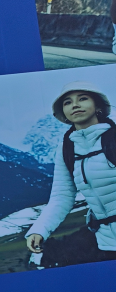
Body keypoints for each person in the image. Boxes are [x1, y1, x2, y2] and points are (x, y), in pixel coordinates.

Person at [26, 82, 116, 267]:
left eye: (83, 99)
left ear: (98, 106)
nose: (75, 105)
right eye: (67, 102)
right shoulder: (66, 149)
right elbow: (62, 196)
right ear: (64, 113)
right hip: (108, 243)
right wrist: (40, 229)